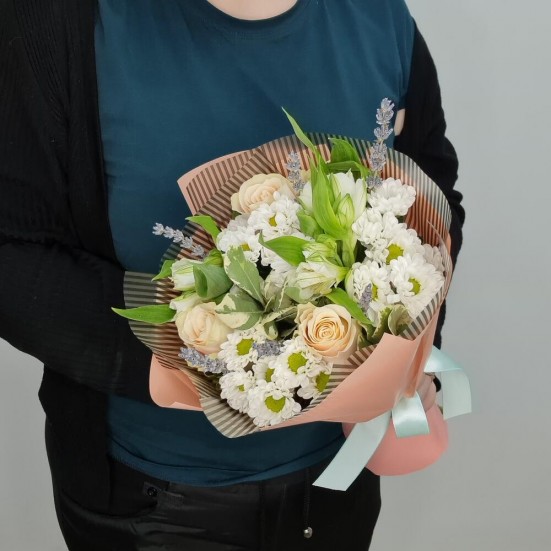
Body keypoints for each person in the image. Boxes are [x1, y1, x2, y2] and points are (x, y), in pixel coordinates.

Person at [0, 0, 464, 549]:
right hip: (150, 507)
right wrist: (209, 362)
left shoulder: (378, 17)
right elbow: (13, 254)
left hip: (335, 484)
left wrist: (404, 355)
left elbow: (431, 196)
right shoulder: (53, 24)